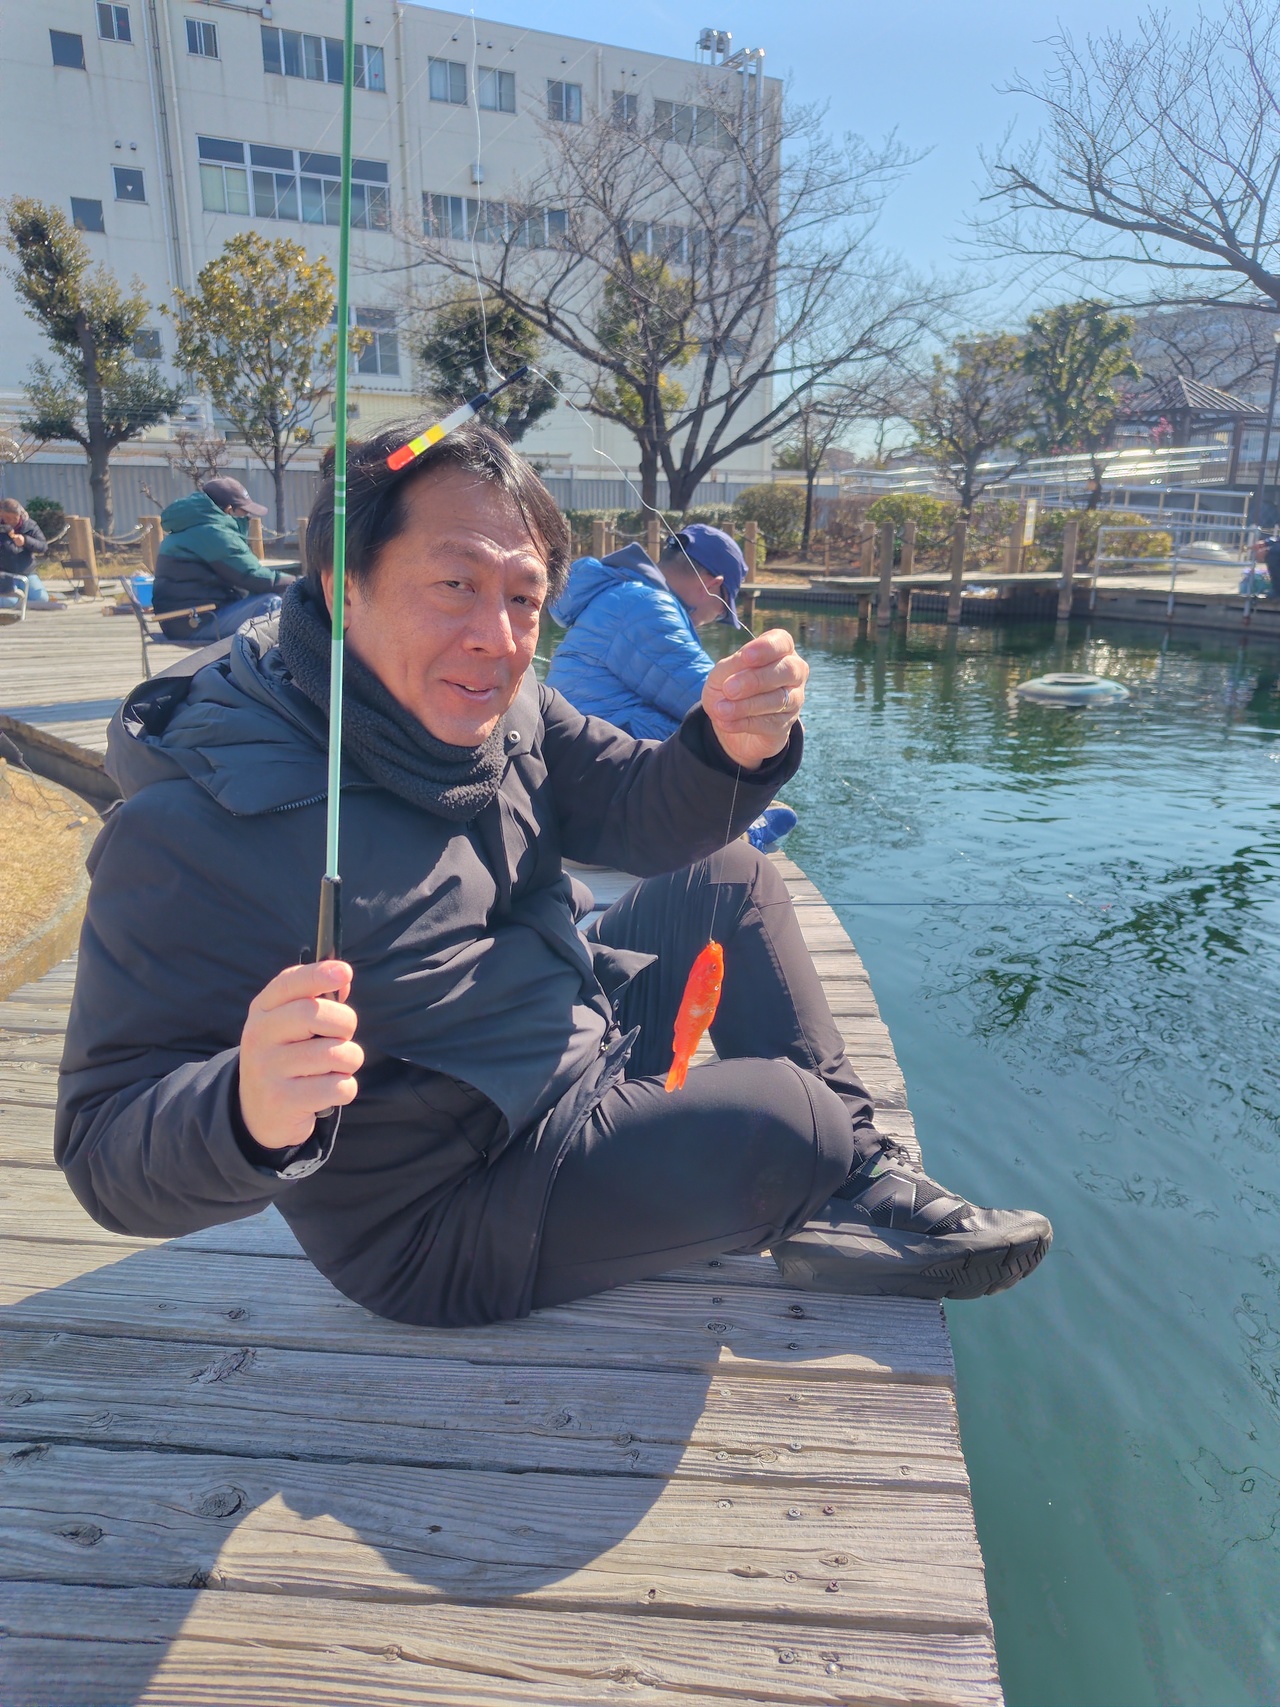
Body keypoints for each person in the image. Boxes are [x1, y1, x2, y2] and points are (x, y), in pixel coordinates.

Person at [56, 420, 1051, 1331]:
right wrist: (245, 1108)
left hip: (570, 1035)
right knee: (795, 1120)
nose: (496, 638)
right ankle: (826, 1158)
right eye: (456, 584)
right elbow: (103, 1146)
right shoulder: (200, 821)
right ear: (339, 584)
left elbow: (634, 806)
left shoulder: (512, 705)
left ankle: (858, 1180)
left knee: (732, 874)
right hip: (448, 1213)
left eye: (523, 597)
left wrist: (727, 748)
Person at [548, 522, 796, 850]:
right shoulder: (647, 608)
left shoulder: (624, 595)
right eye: (722, 610)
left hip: (573, 776)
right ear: (713, 586)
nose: (712, 619)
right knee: (722, 733)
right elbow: (723, 704)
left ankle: (735, 826)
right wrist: (783, 714)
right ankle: (743, 836)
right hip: (589, 794)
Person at [153, 476, 294, 643]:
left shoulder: (191, 526)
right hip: (197, 621)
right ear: (229, 510)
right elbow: (252, 576)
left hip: (181, 621)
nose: (248, 517)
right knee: (271, 605)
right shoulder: (213, 533)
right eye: (244, 511)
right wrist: (300, 582)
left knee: (271, 598)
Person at [0, 497, 62, 610]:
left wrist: (26, 541)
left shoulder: (30, 525)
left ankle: (21, 601)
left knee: (42, 599)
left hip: (27, 572)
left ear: (19, 515)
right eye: (6, 518)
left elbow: (43, 546)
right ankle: (17, 601)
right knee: (8, 601)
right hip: (5, 574)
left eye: (14, 518)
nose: (10, 521)